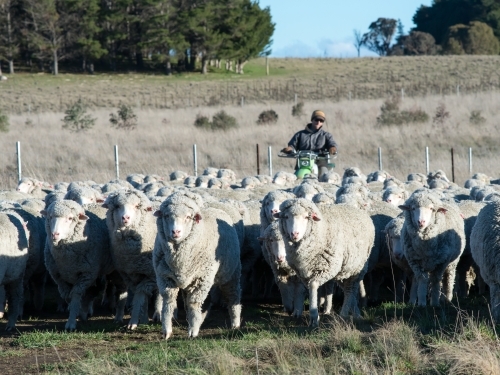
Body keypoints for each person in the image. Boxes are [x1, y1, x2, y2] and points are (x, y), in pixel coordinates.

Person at [281, 110, 338, 175]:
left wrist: (332, 148)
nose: (318, 122)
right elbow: (292, 146)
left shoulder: (326, 135)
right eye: (316, 119)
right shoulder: (300, 134)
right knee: (295, 177)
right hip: (303, 162)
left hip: (320, 162)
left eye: (321, 121)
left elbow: (332, 143)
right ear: (312, 120)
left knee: (324, 175)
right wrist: (289, 149)